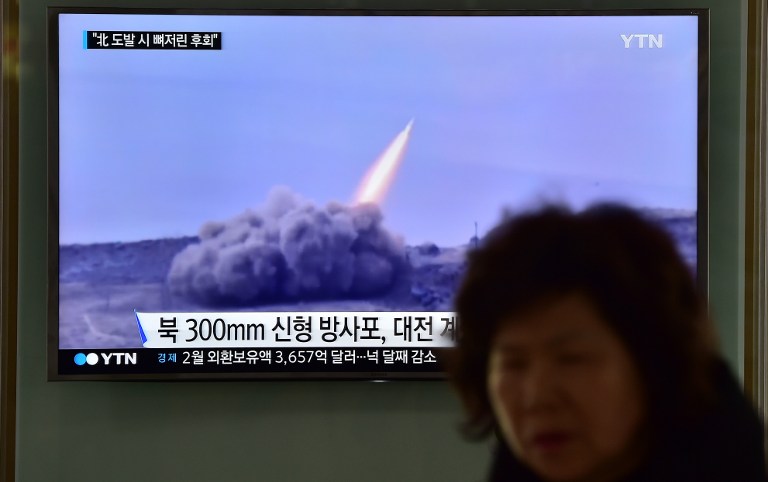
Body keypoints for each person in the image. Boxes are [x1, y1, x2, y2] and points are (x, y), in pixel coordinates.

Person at [445, 203, 767, 482]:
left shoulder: (721, 453)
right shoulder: (531, 458)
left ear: (653, 362)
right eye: (513, 363)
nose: (536, 396)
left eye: (571, 359)